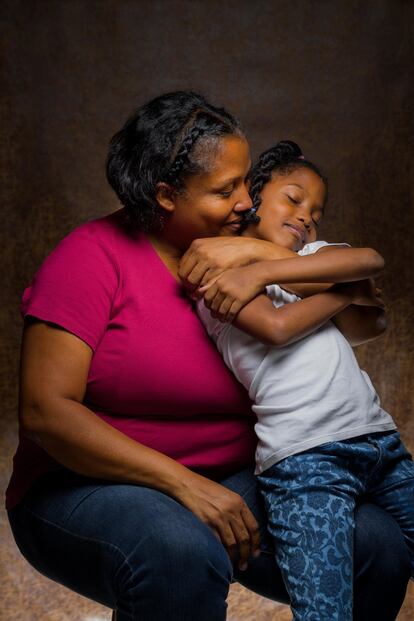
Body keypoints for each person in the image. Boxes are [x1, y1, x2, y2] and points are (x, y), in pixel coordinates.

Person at [6, 93, 410, 621]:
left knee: (377, 545)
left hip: (238, 475)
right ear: (167, 194)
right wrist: (184, 484)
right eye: (226, 189)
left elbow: (366, 302)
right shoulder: (89, 258)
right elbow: (44, 413)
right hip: (85, 483)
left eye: (246, 181)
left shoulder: (241, 246)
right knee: (179, 553)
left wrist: (265, 257)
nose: (248, 200)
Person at [196, 140, 414, 620]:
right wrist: (346, 293)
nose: (306, 216)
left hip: (380, 444)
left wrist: (276, 270)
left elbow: (371, 280)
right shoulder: (221, 276)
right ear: (252, 195)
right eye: (293, 199)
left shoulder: (312, 257)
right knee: (325, 610)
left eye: (316, 211)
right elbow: (277, 327)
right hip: (306, 463)